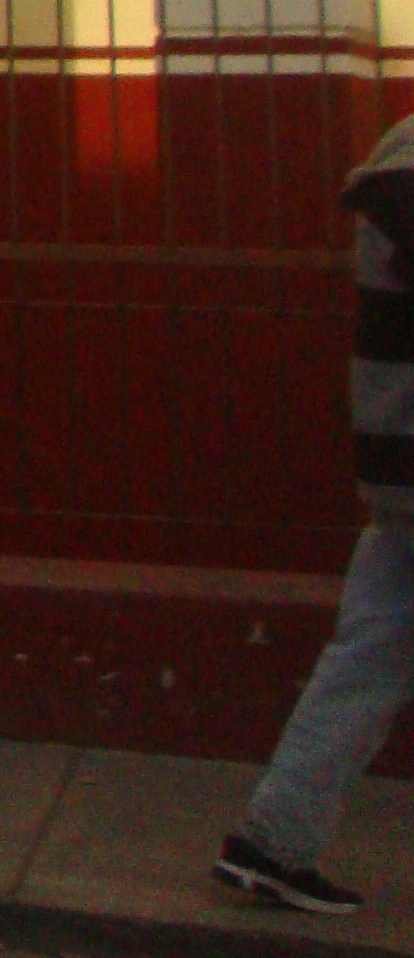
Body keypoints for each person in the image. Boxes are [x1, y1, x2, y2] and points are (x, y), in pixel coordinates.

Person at [216, 115, 414, 916]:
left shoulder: (398, 156)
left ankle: (274, 841)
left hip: (395, 458)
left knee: (370, 652)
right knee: (371, 651)